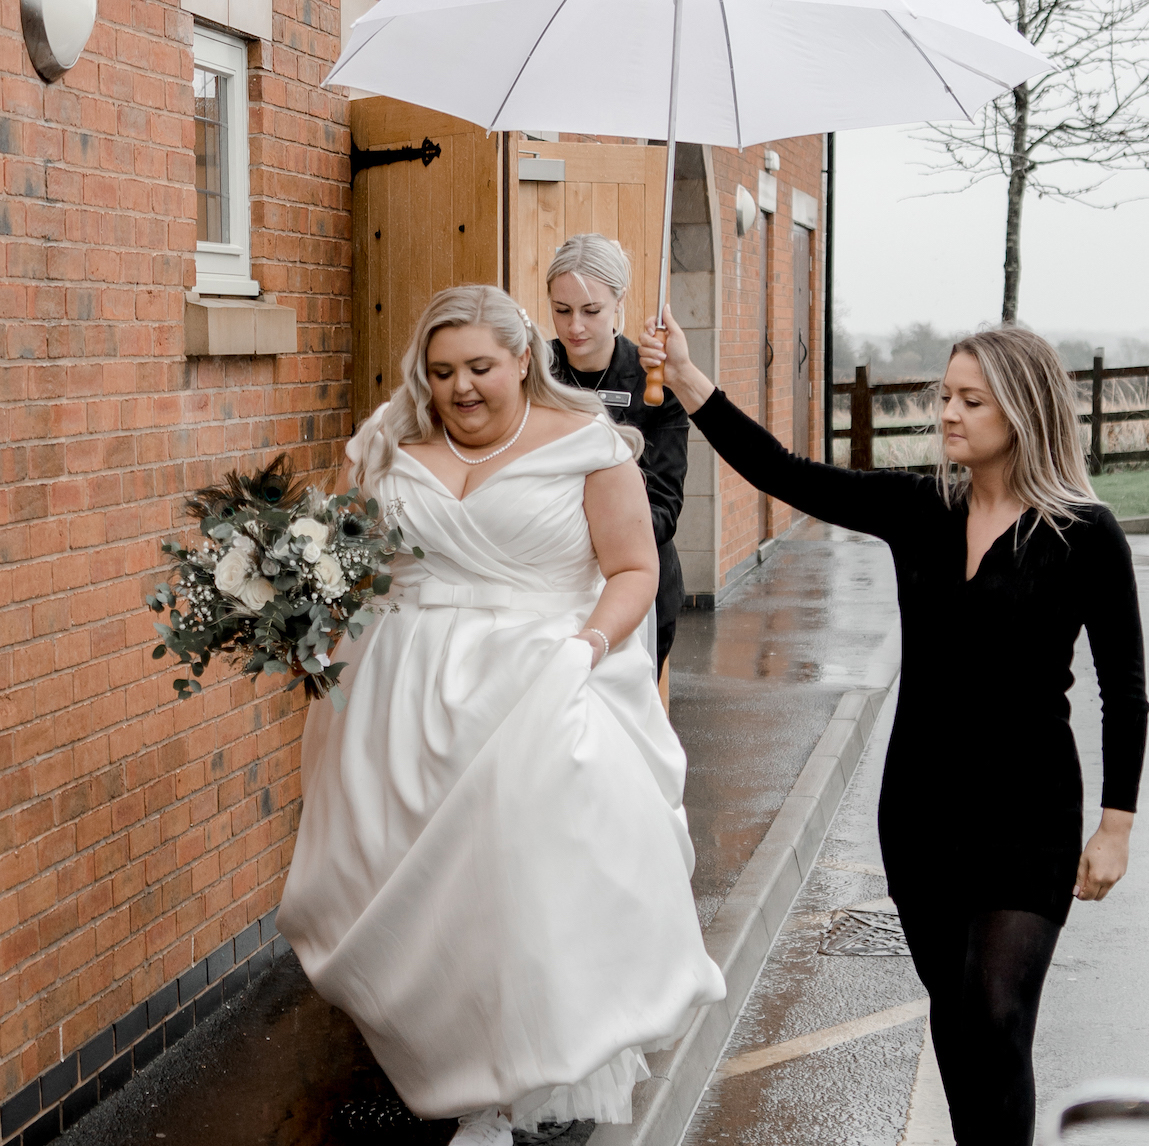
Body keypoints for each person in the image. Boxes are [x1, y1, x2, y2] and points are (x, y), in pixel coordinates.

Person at [639, 311, 1146, 1146]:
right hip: (919, 811)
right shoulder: (920, 507)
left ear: (1021, 411)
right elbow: (781, 471)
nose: (944, 413)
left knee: (996, 1014)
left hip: (1029, 814)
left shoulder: (1084, 535)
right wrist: (692, 382)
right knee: (953, 1015)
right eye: (942, 395)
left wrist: (1116, 825)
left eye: (969, 401)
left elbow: (1125, 692)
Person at [276, 286, 725, 1146]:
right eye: (441, 371)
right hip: (397, 700)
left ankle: (519, 1088)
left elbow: (632, 568)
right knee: (411, 897)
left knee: (520, 886)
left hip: (538, 689)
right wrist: (294, 610)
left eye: (480, 367)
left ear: (524, 358)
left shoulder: (590, 447)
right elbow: (340, 561)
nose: (461, 388)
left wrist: (588, 647)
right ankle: (451, 1070)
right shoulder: (384, 445)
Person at [547, 234, 689, 677]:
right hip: (552, 587)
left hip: (640, 590)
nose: (575, 328)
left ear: (619, 303)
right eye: (561, 310)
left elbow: (665, 508)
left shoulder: (656, 383)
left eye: (591, 312)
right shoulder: (533, 373)